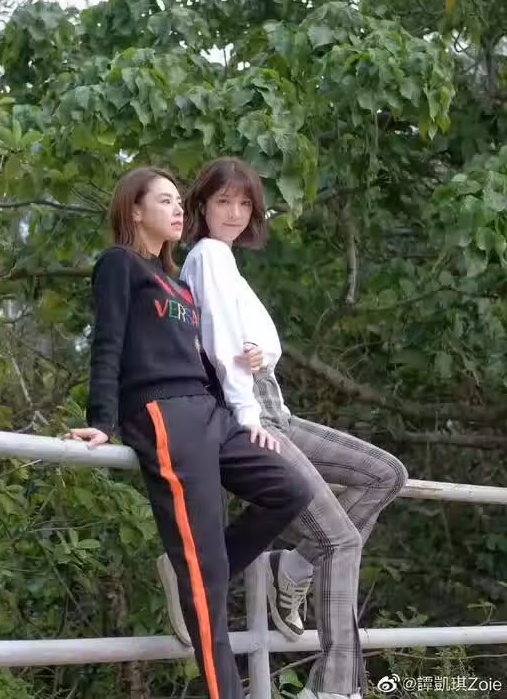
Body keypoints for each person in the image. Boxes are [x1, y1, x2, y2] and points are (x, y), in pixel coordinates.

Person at [157, 157, 409, 699]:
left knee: (385, 473)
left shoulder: (226, 263)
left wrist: (259, 356)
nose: (234, 212)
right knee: (339, 540)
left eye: (244, 203)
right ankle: (333, 688)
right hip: (252, 413)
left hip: (276, 410)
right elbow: (220, 350)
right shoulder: (208, 256)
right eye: (223, 201)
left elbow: (256, 345)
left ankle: (291, 568)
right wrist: (248, 417)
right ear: (202, 205)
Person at [65, 166, 314, 699]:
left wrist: (245, 402)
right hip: (163, 414)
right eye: (164, 201)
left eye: (180, 201)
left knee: (291, 489)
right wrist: (102, 422)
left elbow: (208, 356)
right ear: (135, 210)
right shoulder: (119, 264)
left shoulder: (177, 282)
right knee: (208, 582)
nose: (179, 209)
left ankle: (196, 572)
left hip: (209, 411)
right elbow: (107, 342)